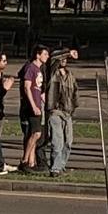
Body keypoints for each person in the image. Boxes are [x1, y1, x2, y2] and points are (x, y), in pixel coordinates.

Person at [45, 46, 80, 177]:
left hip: (67, 112)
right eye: (63, 58)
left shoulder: (70, 75)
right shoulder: (52, 72)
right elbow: (54, 58)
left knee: (68, 141)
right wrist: (68, 53)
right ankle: (55, 168)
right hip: (55, 111)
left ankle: (61, 165)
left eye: (66, 59)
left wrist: (74, 106)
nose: (64, 60)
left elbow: (75, 92)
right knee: (57, 141)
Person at [19, 45, 48, 172]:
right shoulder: (31, 68)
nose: (47, 56)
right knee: (36, 133)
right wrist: (33, 105)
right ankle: (24, 160)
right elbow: (27, 87)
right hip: (31, 107)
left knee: (35, 134)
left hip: (38, 105)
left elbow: (39, 90)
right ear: (38, 55)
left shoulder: (39, 69)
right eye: (45, 54)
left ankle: (31, 163)